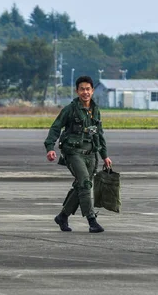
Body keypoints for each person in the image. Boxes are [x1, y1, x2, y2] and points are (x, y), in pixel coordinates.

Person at [44, 75, 112, 233]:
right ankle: (92, 221)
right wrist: (50, 148)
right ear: (77, 91)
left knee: (81, 186)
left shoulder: (95, 110)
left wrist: (105, 155)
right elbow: (55, 128)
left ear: (92, 91)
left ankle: (63, 216)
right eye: (82, 89)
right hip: (73, 153)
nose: (85, 92)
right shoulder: (70, 109)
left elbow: (99, 134)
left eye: (88, 89)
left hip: (91, 154)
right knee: (85, 184)